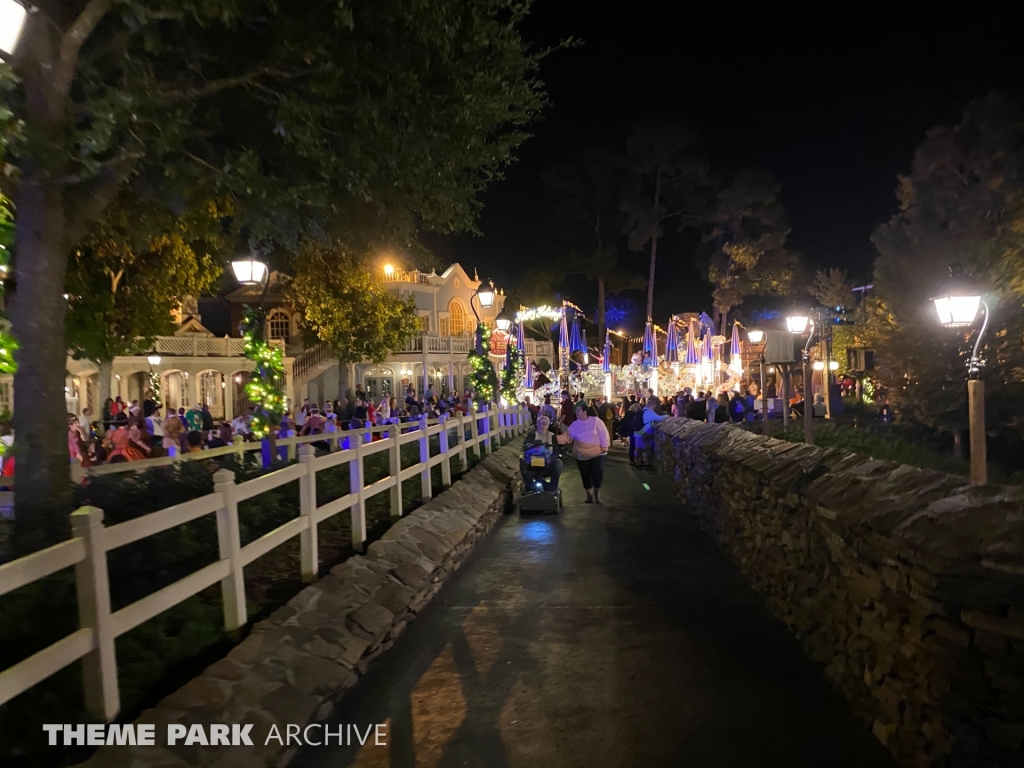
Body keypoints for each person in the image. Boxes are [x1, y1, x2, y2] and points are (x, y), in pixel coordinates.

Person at [556, 403, 610, 503]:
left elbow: (604, 434)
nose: (576, 412)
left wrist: (605, 446)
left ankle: (596, 493)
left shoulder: (596, 421)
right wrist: (554, 438)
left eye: (578, 410)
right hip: (581, 455)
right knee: (585, 475)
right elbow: (567, 437)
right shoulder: (575, 425)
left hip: (597, 453)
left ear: (585, 412)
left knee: (598, 474)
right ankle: (589, 494)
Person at [520, 414, 562, 492]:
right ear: (537, 424)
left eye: (544, 424)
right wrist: (532, 445)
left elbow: (556, 450)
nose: (542, 425)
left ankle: (552, 488)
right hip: (533, 462)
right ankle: (529, 486)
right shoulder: (532, 434)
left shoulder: (552, 436)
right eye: (540, 423)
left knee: (558, 463)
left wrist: (550, 458)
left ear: (548, 426)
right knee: (523, 463)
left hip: (547, 461)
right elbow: (526, 444)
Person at [635, 399, 667, 468]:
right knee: (648, 448)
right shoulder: (650, 412)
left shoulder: (642, 411)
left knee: (638, 448)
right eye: (654, 407)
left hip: (638, 432)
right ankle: (647, 462)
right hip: (645, 432)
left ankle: (637, 462)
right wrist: (667, 416)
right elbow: (659, 418)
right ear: (652, 406)